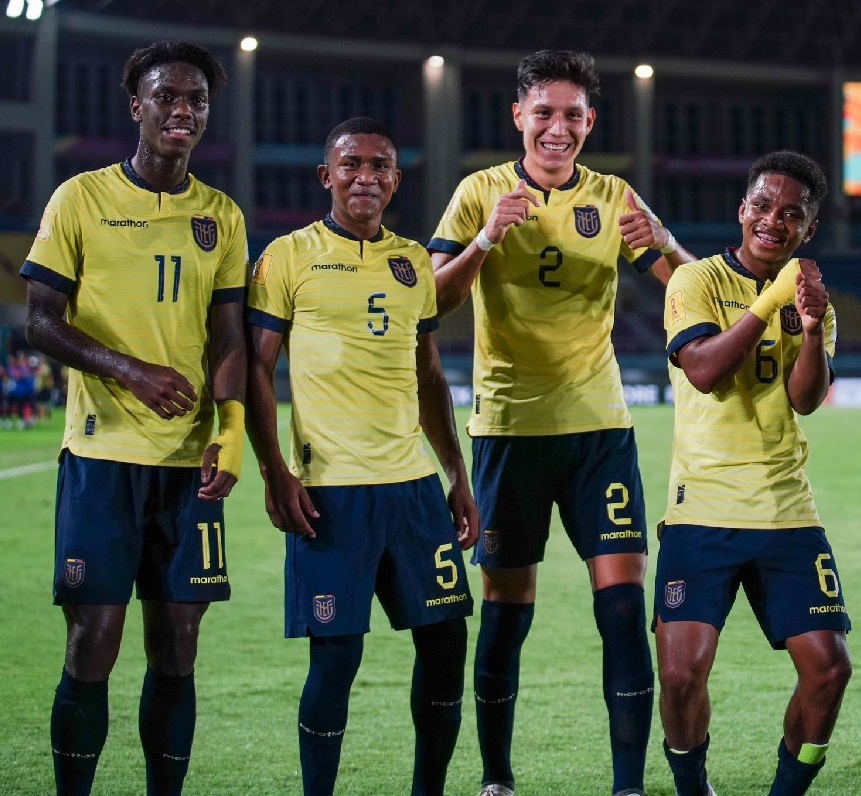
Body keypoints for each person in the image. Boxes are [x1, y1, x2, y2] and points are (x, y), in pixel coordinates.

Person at [428, 49, 697, 796]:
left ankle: (625, 787)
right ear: (517, 116)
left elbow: (694, 289)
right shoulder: (478, 192)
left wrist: (667, 243)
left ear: (589, 122)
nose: (556, 128)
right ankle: (497, 779)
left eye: (571, 115)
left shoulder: (612, 197)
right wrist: (484, 241)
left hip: (598, 431)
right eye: (542, 112)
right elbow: (430, 300)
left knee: (620, 613)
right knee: (506, 617)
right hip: (509, 433)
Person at [20, 40, 248, 796]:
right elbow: (40, 322)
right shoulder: (80, 199)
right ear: (137, 107)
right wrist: (130, 371)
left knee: (178, 646)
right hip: (101, 458)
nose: (182, 109)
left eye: (197, 100)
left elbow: (226, 338)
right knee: (94, 642)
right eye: (167, 96)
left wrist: (231, 431)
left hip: (190, 470)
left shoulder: (220, 215)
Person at [245, 116, 478, 796]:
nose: (366, 176)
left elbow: (429, 376)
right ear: (327, 176)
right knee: (336, 657)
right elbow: (259, 369)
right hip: (330, 492)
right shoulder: (286, 256)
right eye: (351, 164)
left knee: (444, 647)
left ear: (396, 180)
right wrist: (272, 469)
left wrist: (456, 474)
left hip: (412, 489)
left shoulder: (411, 263)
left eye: (380, 165)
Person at [655, 150, 852, 796]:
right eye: (763, 206)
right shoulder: (694, 283)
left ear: (807, 229)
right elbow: (705, 372)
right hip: (700, 512)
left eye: (790, 214)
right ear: (741, 210)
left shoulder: (810, 297)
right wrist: (769, 301)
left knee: (828, 671)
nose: (773, 220)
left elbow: (803, 398)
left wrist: (816, 324)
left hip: (784, 510)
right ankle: (692, 790)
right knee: (681, 676)